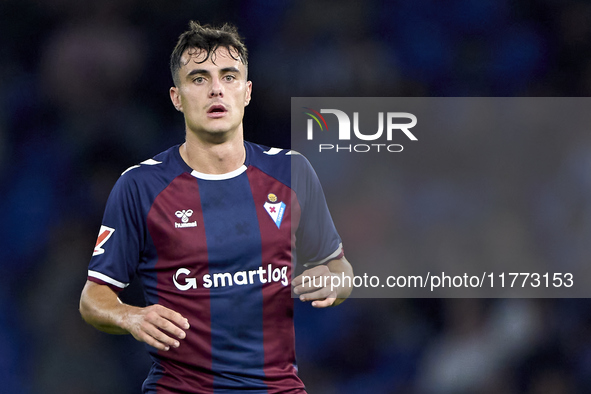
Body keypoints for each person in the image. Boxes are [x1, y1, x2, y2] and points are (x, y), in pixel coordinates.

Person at [79, 21, 353, 394]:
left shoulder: (292, 171)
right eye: (198, 78)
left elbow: (339, 267)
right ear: (176, 97)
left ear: (248, 92)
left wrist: (335, 280)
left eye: (229, 76)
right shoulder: (140, 186)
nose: (215, 89)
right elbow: (93, 298)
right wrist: (131, 315)